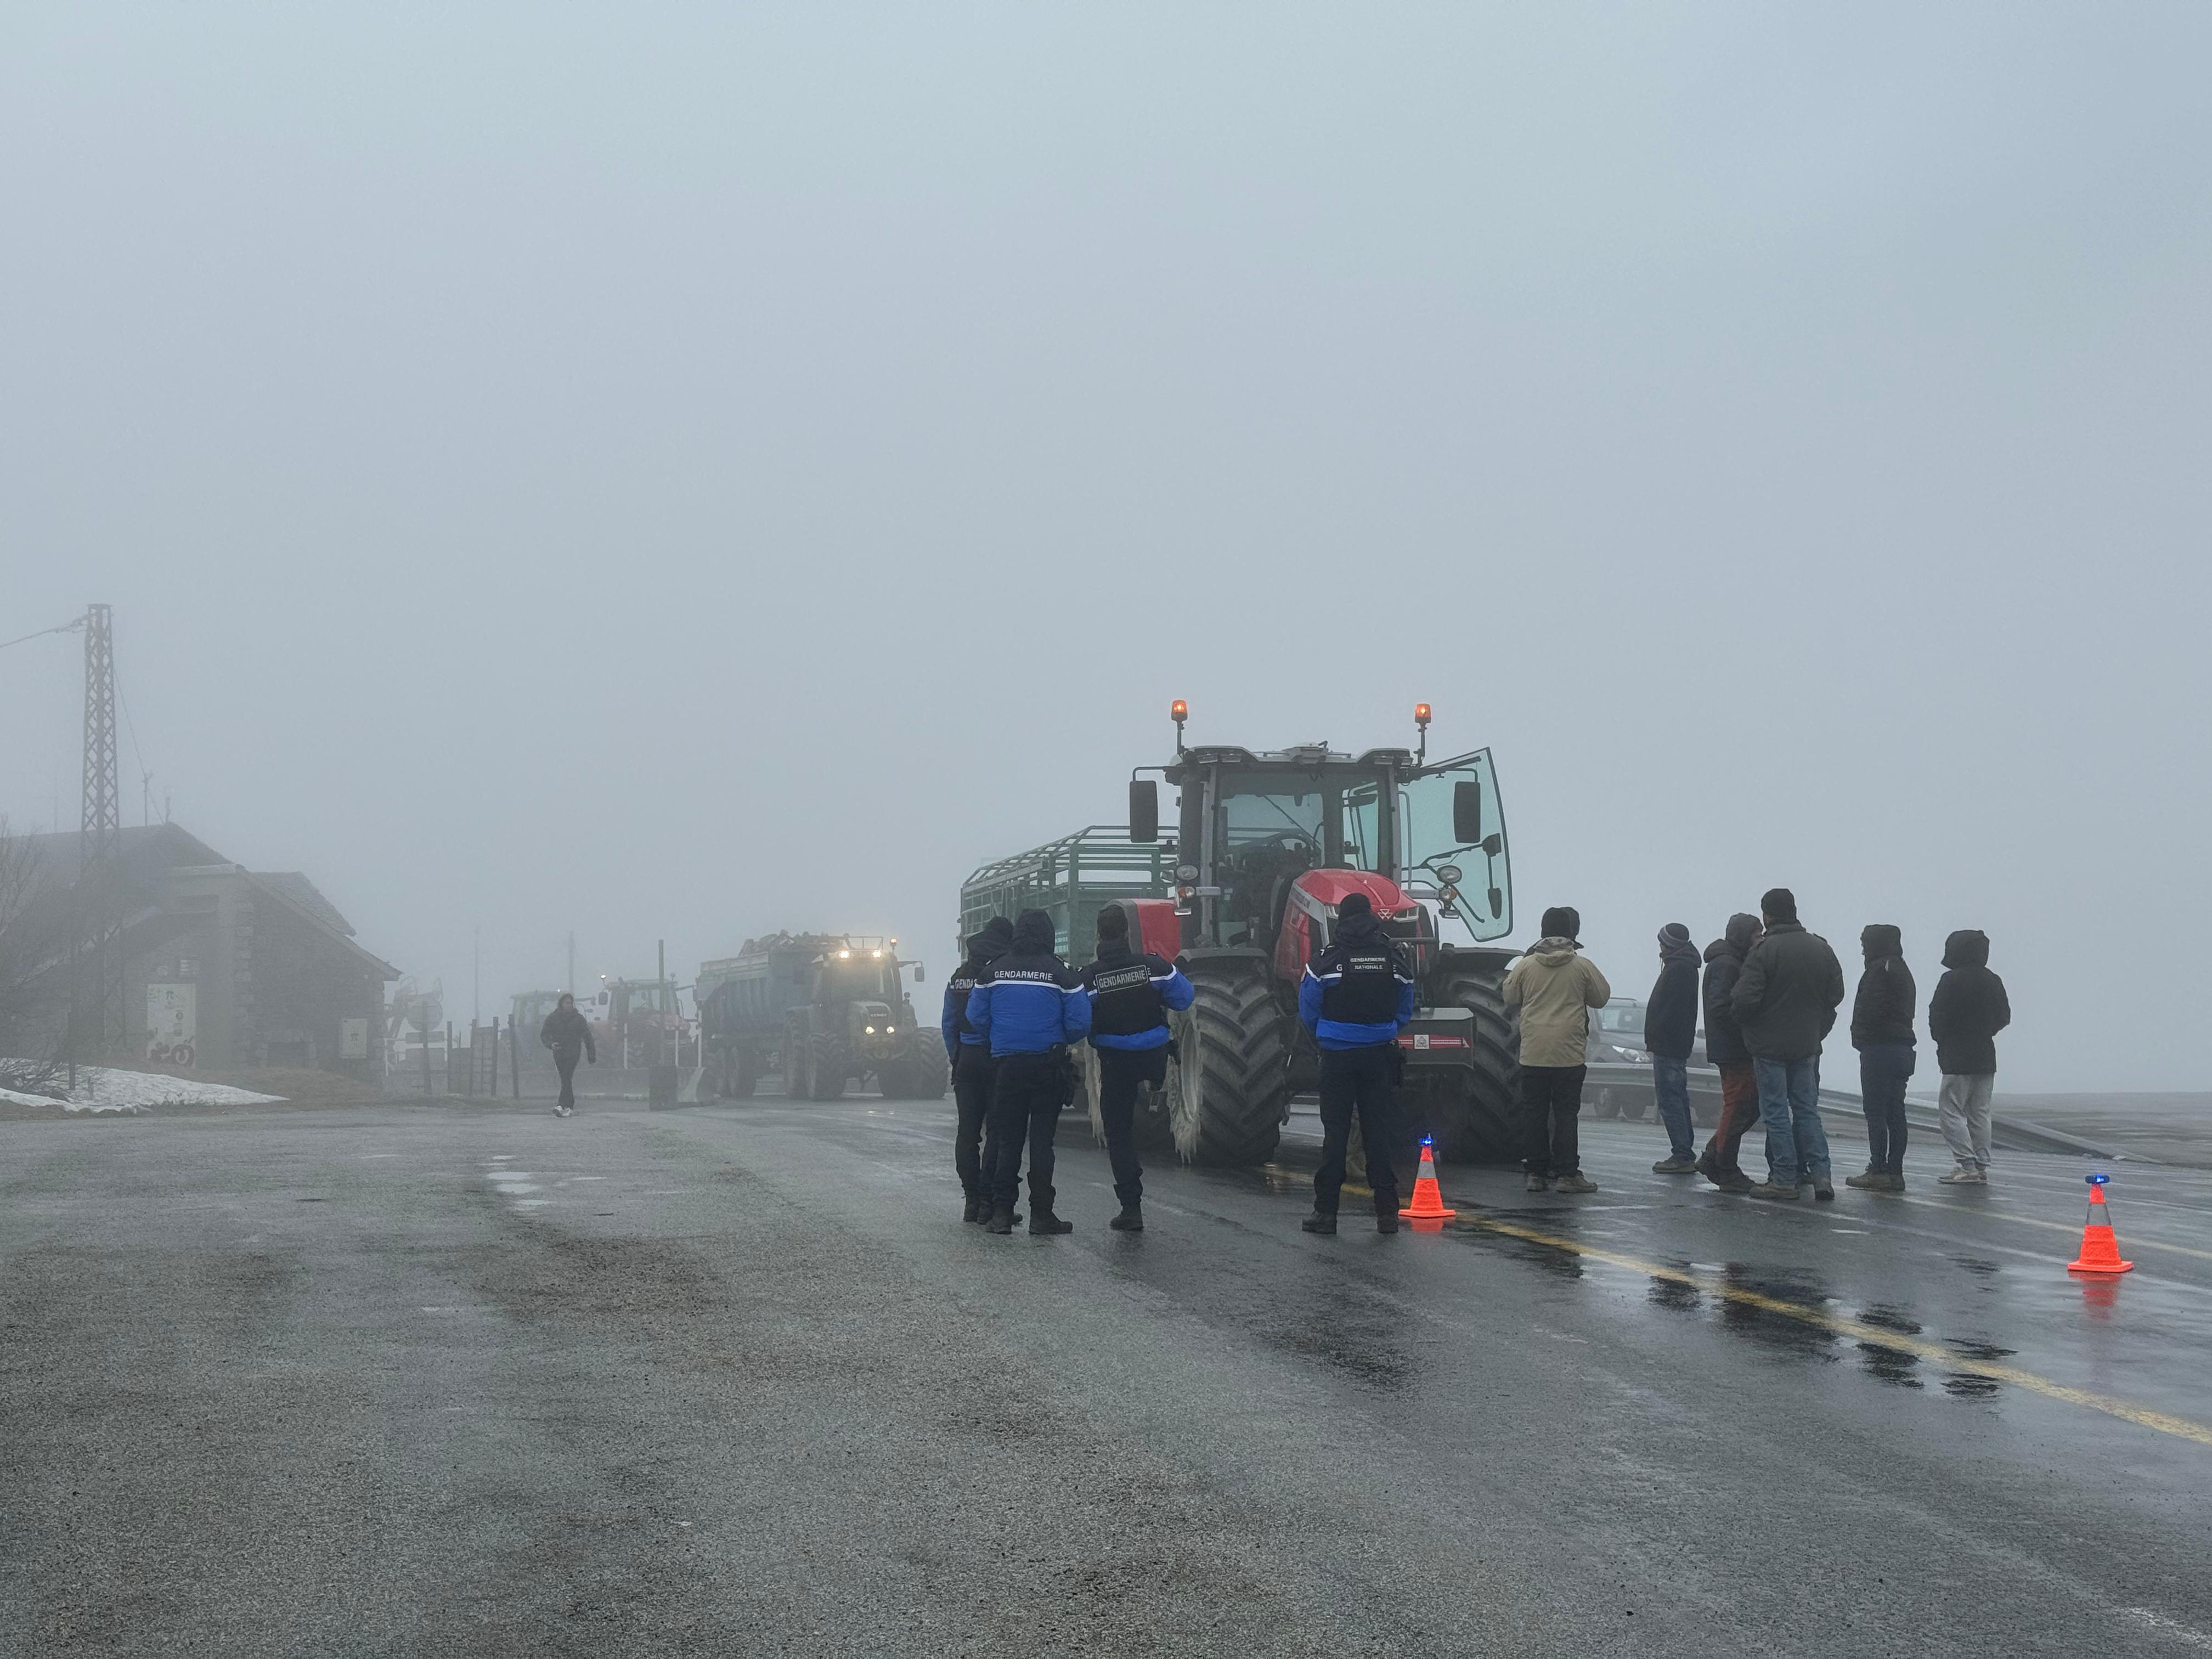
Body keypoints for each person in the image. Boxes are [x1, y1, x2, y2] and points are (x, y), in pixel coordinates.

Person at [1296, 890, 1418, 1234]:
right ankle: (1387, 1214)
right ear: (1371, 917)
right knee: (1377, 1133)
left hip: (1337, 1057)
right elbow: (1406, 1004)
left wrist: (1327, 1035)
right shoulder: (1393, 958)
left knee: (1335, 1134)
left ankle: (1326, 1214)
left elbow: (1307, 1009)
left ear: (1341, 920)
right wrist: (1386, 1029)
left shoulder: (1326, 960)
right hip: (1379, 1055)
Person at [967, 909, 1092, 1235]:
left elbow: (975, 1017)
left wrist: (1000, 1037)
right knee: (1041, 1143)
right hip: (1047, 1067)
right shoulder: (1062, 973)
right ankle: (1041, 1216)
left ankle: (1002, 1215)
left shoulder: (992, 972)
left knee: (1008, 1141)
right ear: (1048, 935)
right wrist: (1057, 1038)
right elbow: (1080, 1022)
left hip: (1006, 1067)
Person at [1080, 905, 1194, 1232]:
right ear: (1128, 933)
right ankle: (1162, 1100)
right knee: (1155, 1088)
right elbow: (1185, 999)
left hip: (1115, 1062)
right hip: (1154, 1056)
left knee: (1119, 1133)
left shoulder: (1089, 978)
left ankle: (1131, 1208)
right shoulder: (1155, 966)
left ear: (1099, 936)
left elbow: (1076, 1020)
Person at [1730, 888, 1846, 1201]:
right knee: (1808, 1110)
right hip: (1807, 1043)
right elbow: (1836, 994)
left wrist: (1751, 1024)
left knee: (1777, 1112)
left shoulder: (1764, 952)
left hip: (1769, 1047)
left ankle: (1783, 1178)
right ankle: (1822, 1176)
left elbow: (1743, 1000)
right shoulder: (1821, 948)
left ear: (1767, 915)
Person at [1503, 905, 1611, 1194]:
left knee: (1535, 1113)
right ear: (1571, 933)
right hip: (1569, 1052)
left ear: (1542, 931)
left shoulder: (1526, 966)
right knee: (1566, 1114)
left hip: (1534, 1050)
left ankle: (1536, 1174)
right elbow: (1601, 998)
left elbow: (1509, 995)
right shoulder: (1582, 966)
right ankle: (1567, 1174)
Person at [943, 916, 1014, 1223]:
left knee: (968, 1133)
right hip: (995, 1057)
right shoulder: (1002, 971)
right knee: (997, 1132)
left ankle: (971, 1201)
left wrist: (956, 1057)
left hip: (967, 1058)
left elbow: (948, 1025)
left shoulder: (959, 976)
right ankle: (989, 1203)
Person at [1928, 929, 2010, 1186]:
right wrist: (1986, 1031)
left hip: (1957, 1055)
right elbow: (2004, 1016)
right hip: (1985, 1054)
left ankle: (1967, 1164)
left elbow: (1937, 1017)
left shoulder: (1951, 980)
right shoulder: (1993, 980)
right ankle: (1981, 1164)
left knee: (1951, 1110)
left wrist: (1943, 1040)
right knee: (1980, 1112)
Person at [1694, 913, 1763, 1193]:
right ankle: (1724, 1165)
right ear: (1742, 936)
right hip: (1733, 1049)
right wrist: (1748, 1028)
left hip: (1732, 1047)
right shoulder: (1726, 964)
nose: (1761, 939)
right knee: (1739, 1106)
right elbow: (1722, 1007)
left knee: (1747, 1106)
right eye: (1756, 934)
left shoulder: (1731, 961)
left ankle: (1715, 1156)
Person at [1847, 924, 1917, 1192]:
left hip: (1880, 1048)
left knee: (1875, 1111)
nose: (1863, 948)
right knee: (1896, 1111)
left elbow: (1872, 1009)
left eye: (1865, 942)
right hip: (1902, 1048)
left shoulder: (1879, 970)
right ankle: (1895, 1172)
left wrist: (1860, 1036)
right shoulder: (1901, 968)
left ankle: (1878, 1169)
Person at [1644, 923, 1702, 1173]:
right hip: (1673, 1044)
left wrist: (1658, 1036)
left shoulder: (1679, 969)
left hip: (1669, 1045)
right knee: (1677, 1098)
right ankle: (1683, 1151)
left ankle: (1682, 1154)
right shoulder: (1683, 966)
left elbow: (1672, 1012)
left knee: (1671, 1100)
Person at [539, 992, 596, 1118]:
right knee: (565, 1078)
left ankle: (562, 1104)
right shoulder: (553, 1018)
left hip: (573, 1052)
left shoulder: (579, 1019)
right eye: (567, 1003)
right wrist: (551, 1044)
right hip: (559, 1052)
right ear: (561, 1004)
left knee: (566, 1076)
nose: (569, 1005)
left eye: (571, 1003)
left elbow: (587, 1036)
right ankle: (568, 1106)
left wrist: (591, 1055)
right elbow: (544, 1034)